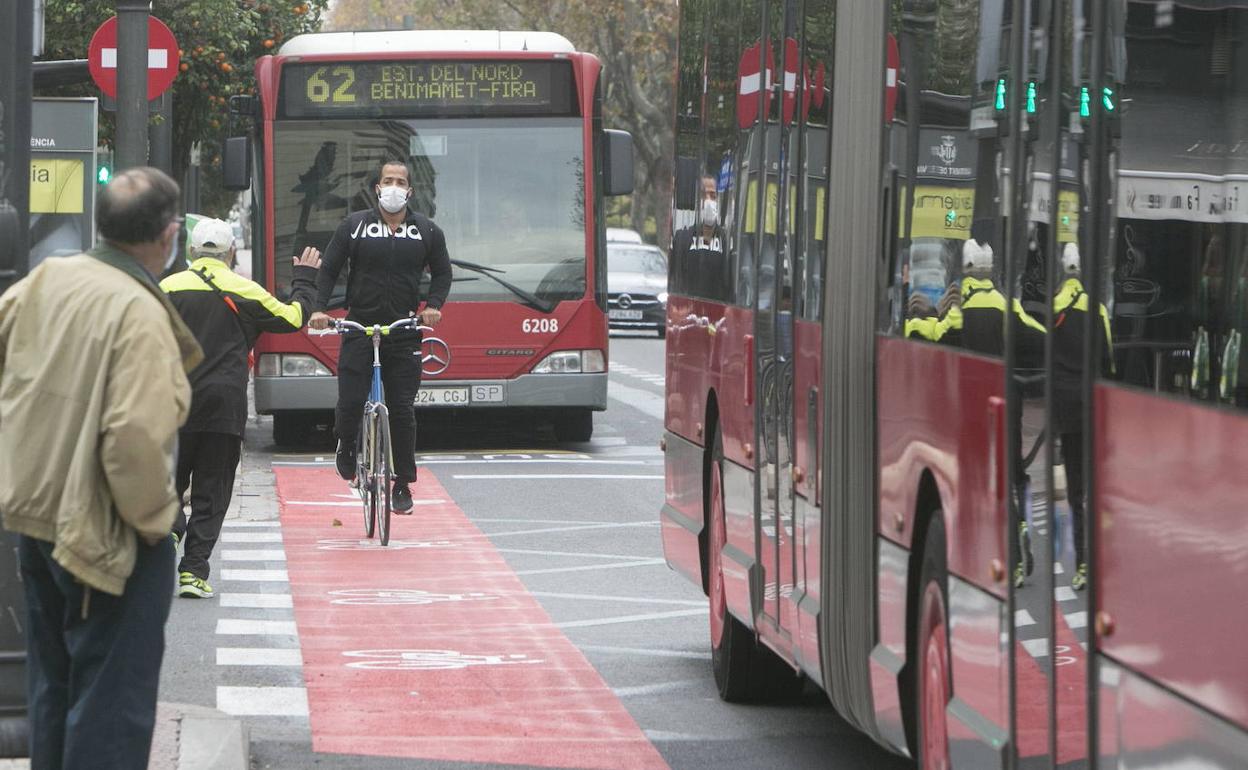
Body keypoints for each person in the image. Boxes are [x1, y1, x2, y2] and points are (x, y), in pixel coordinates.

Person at [0, 167, 202, 769]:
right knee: (111, 707)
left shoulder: (43, 282)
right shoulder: (139, 312)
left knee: (53, 690)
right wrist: (155, 522)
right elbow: (134, 439)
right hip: (107, 527)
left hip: (33, 516)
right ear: (169, 235)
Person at [160, 218, 322, 599]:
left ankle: (167, 529)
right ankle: (194, 572)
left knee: (168, 481)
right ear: (231, 253)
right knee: (212, 489)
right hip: (223, 405)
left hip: (173, 404)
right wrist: (303, 278)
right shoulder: (245, 290)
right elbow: (295, 317)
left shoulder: (166, 288)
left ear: (191, 252)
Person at [308, 159, 453, 512]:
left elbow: (443, 274)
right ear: (377, 188)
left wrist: (433, 305)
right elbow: (329, 269)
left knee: (402, 409)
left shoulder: (427, 231)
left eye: (399, 181)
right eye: (387, 180)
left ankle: (402, 483)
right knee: (350, 401)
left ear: (409, 190)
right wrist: (319, 309)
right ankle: (345, 444)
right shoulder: (354, 226)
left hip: (404, 330)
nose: (393, 186)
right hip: (360, 326)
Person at [1051, 243, 1113, 591]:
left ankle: (1083, 564)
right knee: (1098, 484)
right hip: (1093, 406)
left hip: (1066, 410)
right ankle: (1106, 560)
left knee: (1075, 490)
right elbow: (1109, 360)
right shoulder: (1099, 310)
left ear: (1063, 270)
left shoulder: (1054, 308)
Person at [671, 175, 725, 298]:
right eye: (704, 195)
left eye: (713, 196)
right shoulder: (682, 237)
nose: (708, 201)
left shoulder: (726, 241)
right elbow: (676, 278)